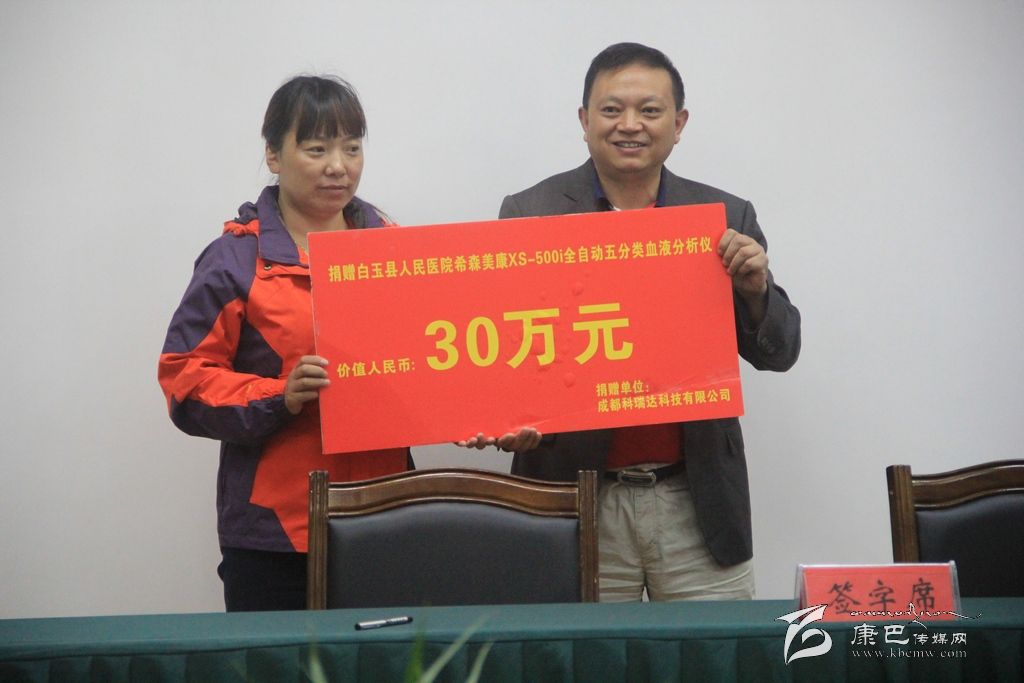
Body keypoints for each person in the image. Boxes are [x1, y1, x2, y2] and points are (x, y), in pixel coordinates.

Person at [466, 43, 801, 601]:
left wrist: (755, 291)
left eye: (649, 110)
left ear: (679, 124)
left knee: (711, 648)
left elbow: (779, 352)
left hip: (696, 502)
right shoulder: (530, 213)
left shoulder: (722, 217)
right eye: (611, 109)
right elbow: (510, 349)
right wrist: (506, 415)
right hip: (575, 498)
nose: (630, 125)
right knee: (583, 649)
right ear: (584, 120)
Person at [158, 75, 410, 612]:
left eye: (352, 148)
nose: (338, 166)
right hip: (276, 530)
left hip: (386, 514)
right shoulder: (234, 260)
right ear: (273, 155)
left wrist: (484, 414)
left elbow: (437, 361)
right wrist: (282, 395)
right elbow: (184, 379)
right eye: (316, 149)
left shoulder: (396, 250)